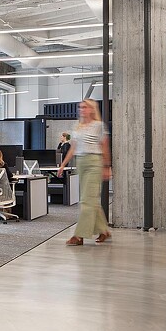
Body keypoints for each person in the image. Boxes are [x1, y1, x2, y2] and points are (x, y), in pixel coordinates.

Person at [57, 99, 112, 246]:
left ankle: (79, 235)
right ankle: (104, 230)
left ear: (92, 109)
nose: (81, 109)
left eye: (85, 107)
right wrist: (63, 165)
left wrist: (107, 167)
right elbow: (73, 148)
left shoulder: (99, 126)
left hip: (95, 162)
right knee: (90, 199)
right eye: (80, 107)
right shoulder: (78, 126)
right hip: (81, 163)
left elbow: (105, 147)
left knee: (86, 200)